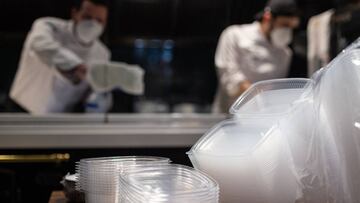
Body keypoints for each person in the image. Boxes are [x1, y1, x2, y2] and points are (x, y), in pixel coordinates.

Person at [9, 0, 110, 114]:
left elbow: (92, 93)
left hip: (59, 119)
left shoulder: (103, 53)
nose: (93, 25)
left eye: (99, 21)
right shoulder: (48, 26)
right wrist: (75, 65)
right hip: (21, 110)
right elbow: (39, 43)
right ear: (74, 13)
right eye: (87, 17)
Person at [213, 0, 300, 113]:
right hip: (228, 114)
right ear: (268, 17)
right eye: (284, 25)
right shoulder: (234, 35)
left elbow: (276, 87)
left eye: (291, 28)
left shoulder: (285, 53)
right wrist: (258, 95)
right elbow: (229, 75)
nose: (287, 31)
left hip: (262, 118)